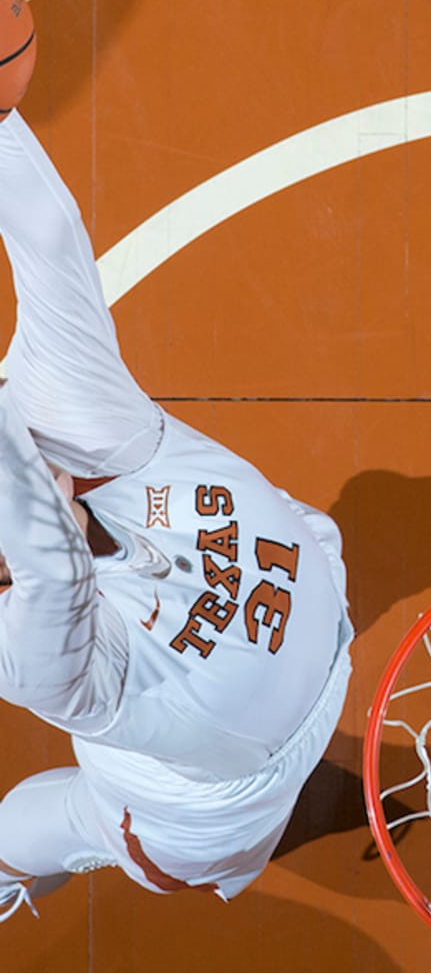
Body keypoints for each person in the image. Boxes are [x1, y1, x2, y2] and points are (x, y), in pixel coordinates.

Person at [0, 105, 353, 920]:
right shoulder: (39, 657)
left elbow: (47, 233)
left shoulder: (69, 416)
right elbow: (53, 565)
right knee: (20, 830)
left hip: (320, 644)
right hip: (207, 807)